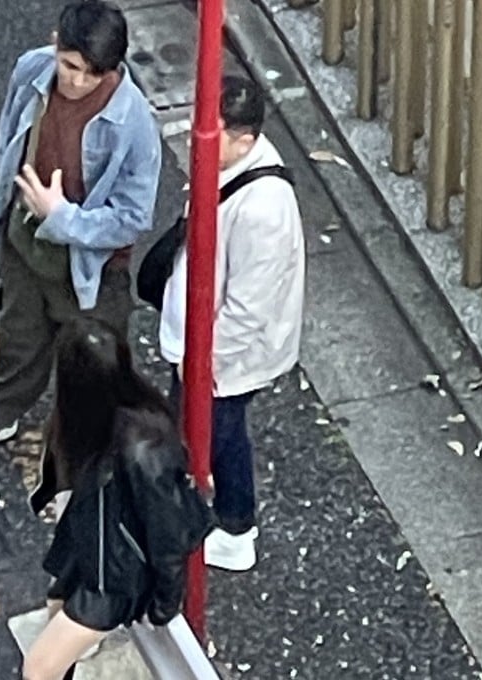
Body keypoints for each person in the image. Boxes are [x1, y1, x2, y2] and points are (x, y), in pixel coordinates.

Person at [0, 0, 161, 447]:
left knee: (95, 361)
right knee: (18, 339)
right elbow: (9, 135)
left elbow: (132, 218)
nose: (78, 81)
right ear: (56, 43)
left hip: (91, 267)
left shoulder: (134, 124)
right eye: (70, 65)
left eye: (94, 73)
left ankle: (96, 451)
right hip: (25, 236)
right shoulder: (31, 71)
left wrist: (62, 217)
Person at [160, 75, 305, 571]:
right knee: (217, 431)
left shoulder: (263, 210)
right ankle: (226, 517)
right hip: (207, 341)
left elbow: (249, 308)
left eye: (210, 130)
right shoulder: (237, 166)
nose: (194, 137)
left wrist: (203, 364)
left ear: (243, 140)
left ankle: (236, 525)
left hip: (225, 353)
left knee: (216, 430)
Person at [22, 317, 212, 680]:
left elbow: (168, 531)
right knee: (54, 629)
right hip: (97, 555)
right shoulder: (125, 421)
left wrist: (163, 605)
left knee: (40, 667)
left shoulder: (143, 445)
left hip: (114, 577)